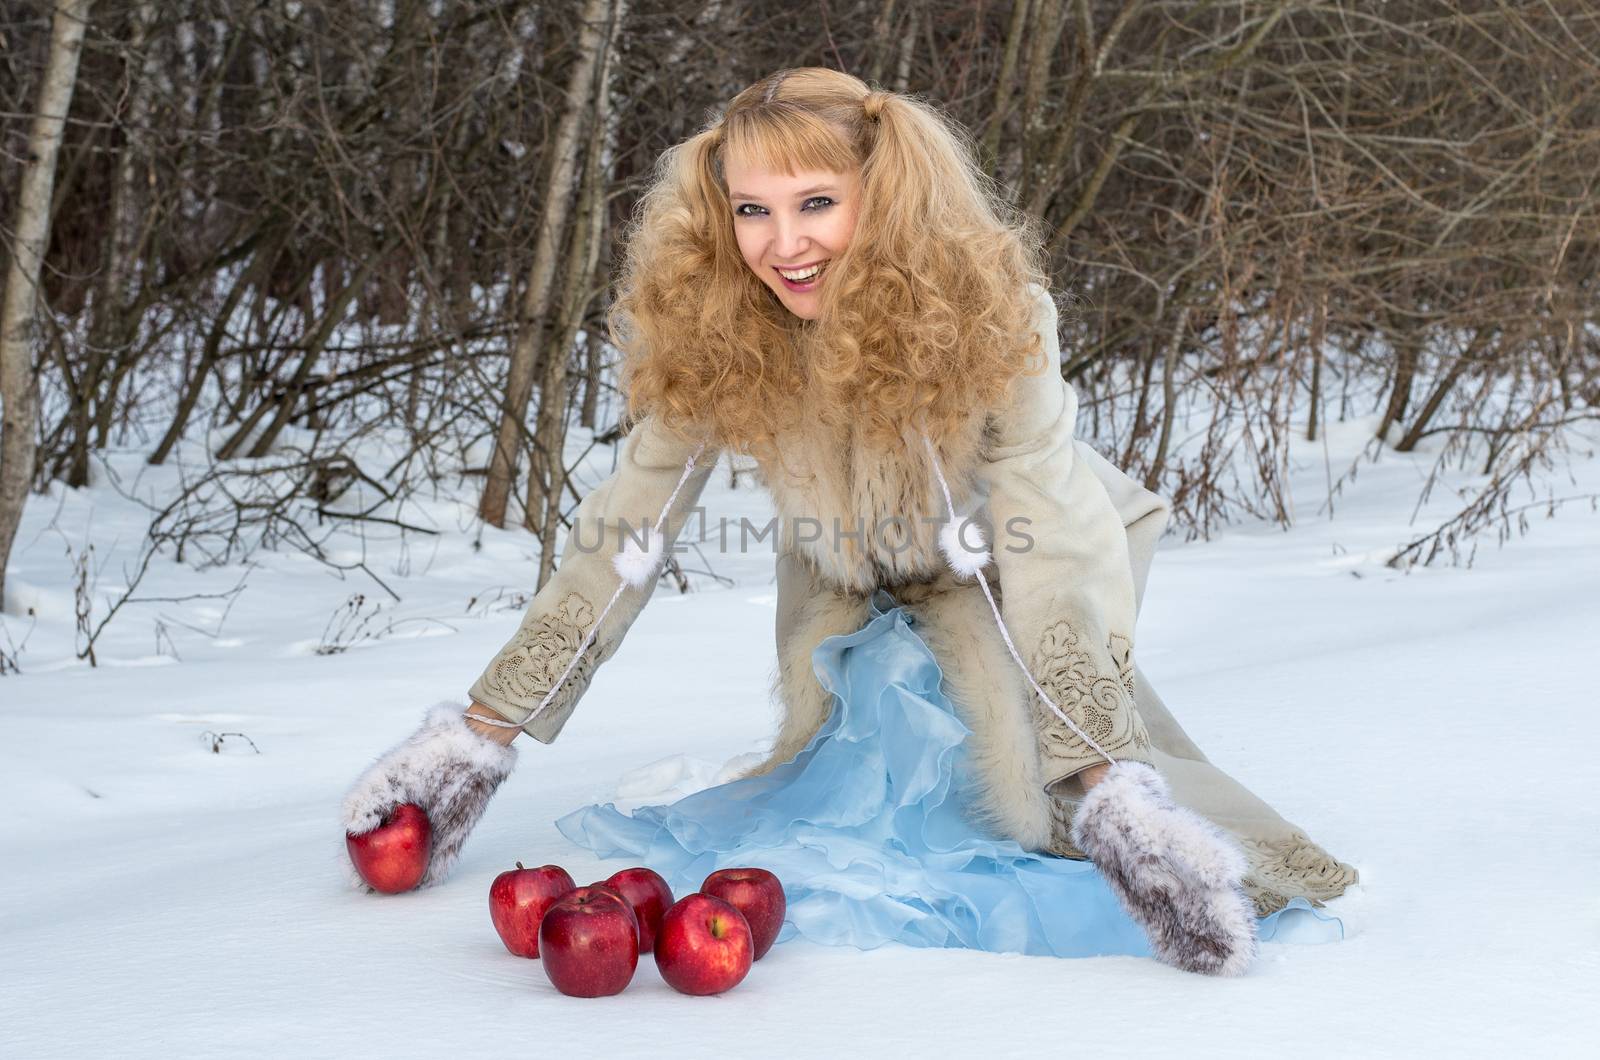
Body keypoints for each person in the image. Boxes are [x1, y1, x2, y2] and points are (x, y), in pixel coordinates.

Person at [342, 68, 1356, 976]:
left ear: (882, 197)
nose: (783, 244)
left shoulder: (996, 313)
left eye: (816, 203)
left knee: (1023, 809)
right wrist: (476, 737)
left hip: (1008, 576)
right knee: (839, 788)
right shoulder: (721, 324)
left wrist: (1108, 787)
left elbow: (1048, 539)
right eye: (752, 210)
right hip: (846, 574)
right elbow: (625, 534)